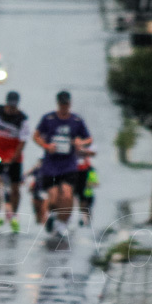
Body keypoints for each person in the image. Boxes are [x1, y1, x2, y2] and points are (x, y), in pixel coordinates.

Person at [33, 90, 92, 240]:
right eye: (62, 104)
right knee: (53, 199)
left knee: (67, 194)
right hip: (51, 165)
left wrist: (81, 143)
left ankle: (62, 224)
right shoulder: (49, 119)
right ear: (58, 104)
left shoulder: (76, 121)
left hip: (69, 165)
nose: (64, 106)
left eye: (66, 104)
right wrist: (46, 146)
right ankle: (53, 215)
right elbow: (36, 136)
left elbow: (89, 139)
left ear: (69, 104)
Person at [0, 90, 30, 233]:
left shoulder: (22, 119)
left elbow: (23, 141)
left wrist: (12, 158)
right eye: (9, 106)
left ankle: (14, 215)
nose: (11, 109)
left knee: (15, 188)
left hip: (14, 156)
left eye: (14, 107)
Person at [75, 154, 98, 227]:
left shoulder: (90, 170)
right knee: (82, 206)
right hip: (80, 192)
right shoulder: (74, 169)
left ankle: (86, 222)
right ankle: (83, 221)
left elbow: (95, 183)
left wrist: (89, 184)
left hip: (87, 193)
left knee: (86, 207)